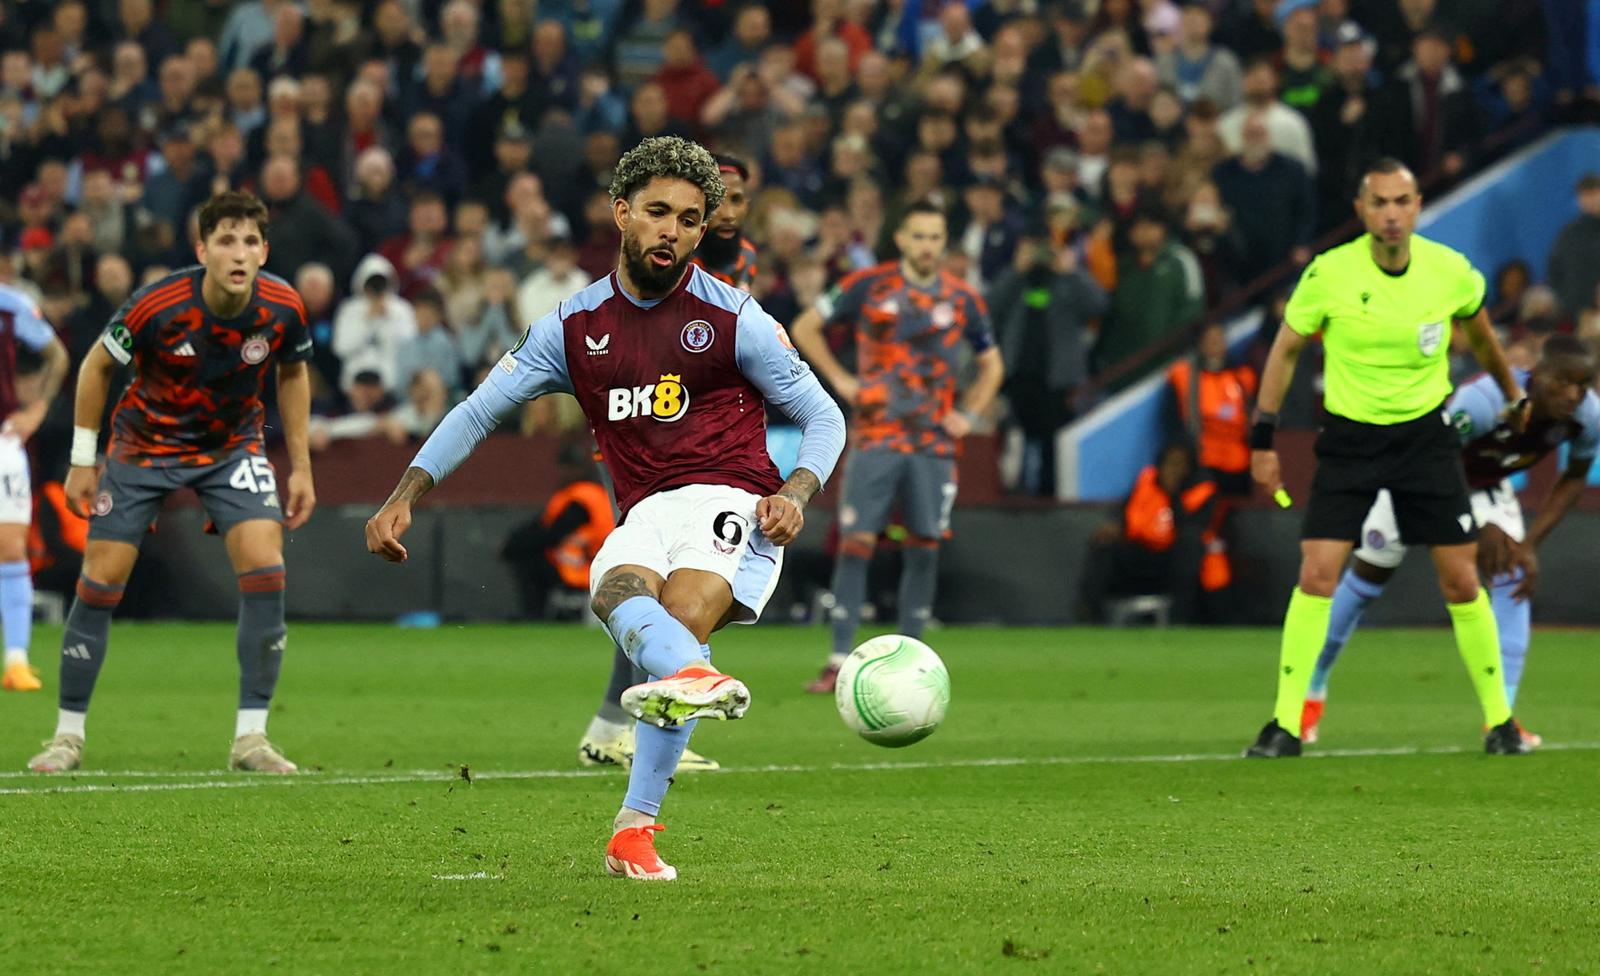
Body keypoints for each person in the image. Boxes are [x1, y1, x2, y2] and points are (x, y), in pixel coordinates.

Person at [364, 136, 846, 881]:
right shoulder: (571, 326)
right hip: (646, 510)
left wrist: (795, 491)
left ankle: (646, 798)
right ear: (621, 211)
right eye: (657, 212)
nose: (673, 232)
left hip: (734, 499)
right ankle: (642, 806)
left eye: (690, 220)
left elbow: (824, 416)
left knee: (678, 623)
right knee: (613, 596)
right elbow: (478, 410)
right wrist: (404, 496)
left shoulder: (734, 317)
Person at [1245, 158, 1531, 759]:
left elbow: (1480, 335)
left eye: (1402, 201)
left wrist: (1511, 393)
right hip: (1350, 440)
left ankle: (1500, 722)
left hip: (1424, 440)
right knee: (1317, 575)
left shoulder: (1449, 272)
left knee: (1459, 579)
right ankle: (1285, 724)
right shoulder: (1329, 274)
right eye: (1380, 203)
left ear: (1418, 204)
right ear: (1361, 210)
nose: (1392, 214)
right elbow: (1285, 350)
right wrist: (1263, 440)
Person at [27, 191, 317, 774]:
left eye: (250, 241)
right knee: (101, 579)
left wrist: (303, 465)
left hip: (231, 447)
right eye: (226, 241)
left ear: (264, 251)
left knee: (267, 568)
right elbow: (95, 366)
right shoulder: (157, 305)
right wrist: (84, 459)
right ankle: (66, 736)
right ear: (202, 249)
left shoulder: (283, 307)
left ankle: (251, 739)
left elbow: (292, 372)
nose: (239, 253)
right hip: (144, 447)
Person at [1301, 337, 1600, 747]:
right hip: (1419, 472)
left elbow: (1574, 478)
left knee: (1512, 573)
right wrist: (1478, 527)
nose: (1573, 394)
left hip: (1486, 483)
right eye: (1563, 382)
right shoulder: (1484, 399)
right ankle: (1310, 694)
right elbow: (1437, 455)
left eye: (1583, 384)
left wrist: (1528, 543)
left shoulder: (1587, 416)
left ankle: (1502, 719)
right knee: (1371, 572)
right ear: (1536, 375)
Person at [578, 151, 757, 774]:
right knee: (651, 587)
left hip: (700, 445)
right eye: (721, 196)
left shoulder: (740, 268)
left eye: (734, 200)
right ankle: (664, 706)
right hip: (646, 444)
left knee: (660, 598)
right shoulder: (675, 259)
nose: (726, 209)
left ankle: (616, 726)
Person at [789, 200, 1005, 693]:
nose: (927, 246)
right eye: (919, 236)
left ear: (943, 244)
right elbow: (805, 326)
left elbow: (993, 364)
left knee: (925, 546)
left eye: (935, 238)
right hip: (876, 436)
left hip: (932, 442)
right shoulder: (869, 285)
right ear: (902, 240)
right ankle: (839, 658)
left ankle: (914, 658)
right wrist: (841, 380)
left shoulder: (964, 298)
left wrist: (968, 414)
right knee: (857, 543)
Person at [0, 285, 71, 692]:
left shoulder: (11, 306)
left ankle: (16, 661)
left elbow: (57, 356)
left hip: (4, 440)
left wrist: (37, 410)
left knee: (11, 548)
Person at [1079, 442, 1215, 623]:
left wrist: (1173, 495)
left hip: (1170, 563)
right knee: (1105, 544)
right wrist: (1116, 525)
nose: (1175, 469)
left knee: (1190, 546)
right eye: (1171, 463)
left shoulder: (1200, 491)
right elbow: (1127, 513)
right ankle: (1090, 614)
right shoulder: (1146, 481)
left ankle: (1181, 620)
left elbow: (1189, 528)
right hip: (1139, 557)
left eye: (1181, 464)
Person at [501, 443, 616, 619]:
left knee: (530, 561)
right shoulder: (594, 492)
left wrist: (513, 545)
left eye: (569, 467)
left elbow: (552, 533)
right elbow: (544, 526)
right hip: (600, 563)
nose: (566, 472)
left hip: (583, 567)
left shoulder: (581, 496)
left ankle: (534, 616)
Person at [690, 154, 758, 292]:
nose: (728, 215)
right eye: (716, 201)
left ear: (747, 205)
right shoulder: (677, 259)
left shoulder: (747, 256)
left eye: (736, 199)